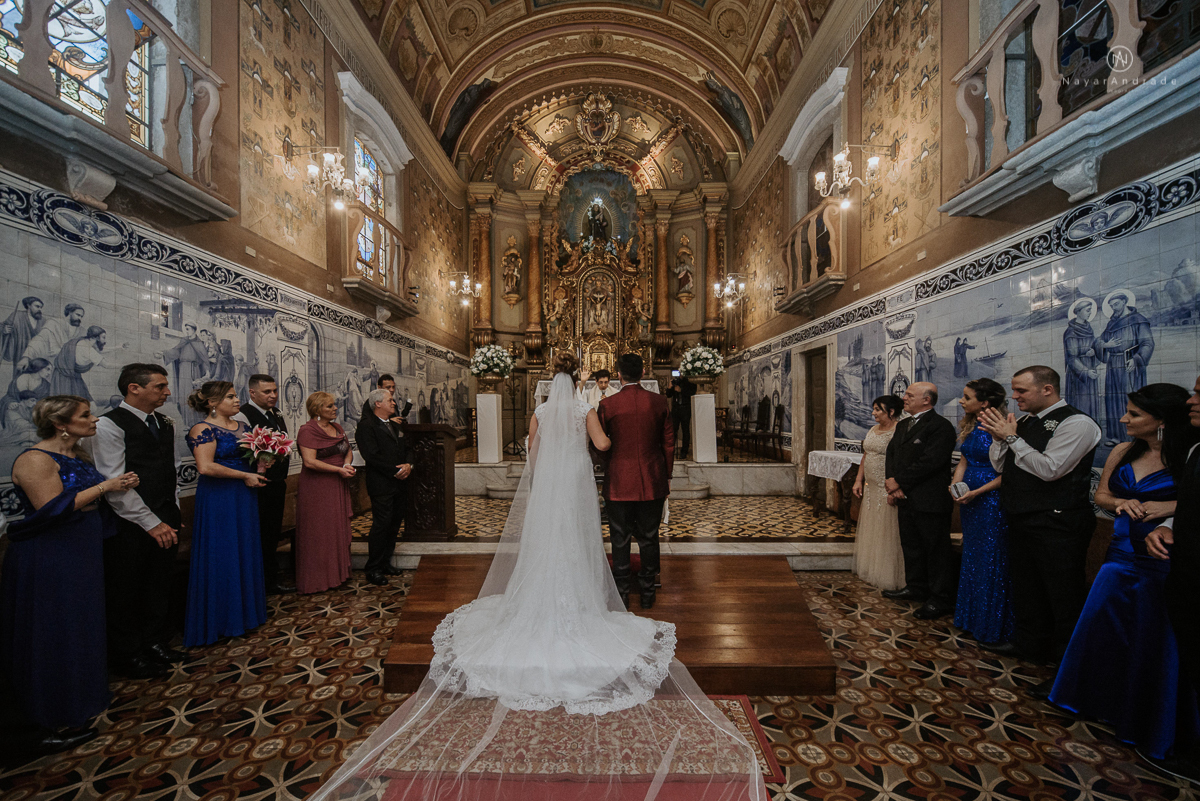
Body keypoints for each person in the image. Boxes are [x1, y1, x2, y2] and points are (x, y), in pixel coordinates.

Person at [308, 352, 765, 801]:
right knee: (583, 541)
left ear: (551, 377)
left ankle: (538, 601)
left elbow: (532, 449)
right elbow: (603, 446)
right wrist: (594, 443)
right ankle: (592, 600)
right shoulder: (587, 409)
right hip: (576, 482)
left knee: (548, 541)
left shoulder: (541, 409)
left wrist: (549, 463)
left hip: (551, 483)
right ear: (578, 379)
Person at [1049, 383, 1200, 758]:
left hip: (1162, 558)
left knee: (1153, 639)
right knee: (1104, 629)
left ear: (1161, 421)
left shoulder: (1188, 455)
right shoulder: (1122, 450)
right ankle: (1101, 702)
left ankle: (1148, 718)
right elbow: (1101, 495)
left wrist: (1165, 510)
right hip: (1119, 554)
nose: (1123, 418)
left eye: (1133, 414)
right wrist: (1123, 501)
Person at [1, 396, 138, 758]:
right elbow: (52, 509)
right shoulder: (35, 459)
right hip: (52, 551)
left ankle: (81, 692)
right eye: (85, 415)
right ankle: (48, 711)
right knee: (53, 624)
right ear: (61, 424)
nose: (93, 420)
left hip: (82, 544)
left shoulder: (78, 454)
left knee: (80, 619)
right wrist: (107, 487)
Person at [979, 365, 1101, 665]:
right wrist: (999, 438)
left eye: (1022, 390)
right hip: (1022, 517)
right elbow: (1000, 467)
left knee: (1062, 595)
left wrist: (1012, 439)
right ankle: (1029, 644)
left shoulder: (1077, 423)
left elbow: (1050, 469)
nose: (1015, 396)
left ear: (1047, 389)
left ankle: (1065, 666)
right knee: (1028, 588)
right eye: (1014, 389)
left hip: (1057, 522)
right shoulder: (1024, 421)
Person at [87, 363, 183, 679]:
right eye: (160, 386)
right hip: (130, 522)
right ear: (134, 388)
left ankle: (154, 641)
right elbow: (115, 482)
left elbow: (169, 472)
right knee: (127, 587)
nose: (167, 392)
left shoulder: (164, 423)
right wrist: (150, 522)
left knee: (158, 582)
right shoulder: (109, 425)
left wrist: (173, 512)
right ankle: (128, 654)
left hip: (164, 515)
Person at [183, 381, 269, 647]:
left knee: (244, 548)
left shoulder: (243, 427)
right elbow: (206, 467)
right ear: (212, 403)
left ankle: (245, 614)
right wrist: (245, 474)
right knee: (223, 551)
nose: (236, 401)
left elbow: (253, 460)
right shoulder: (203, 429)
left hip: (244, 495)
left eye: (235, 396)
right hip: (219, 497)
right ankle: (222, 618)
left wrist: (263, 464)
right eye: (230, 397)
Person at [1146, 374, 1200, 784]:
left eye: (1199, 394)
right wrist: (1172, 526)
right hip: (1186, 572)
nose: (1192, 401)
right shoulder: (1197, 449)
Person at [597, 352, 674, 608]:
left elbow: (600, 446)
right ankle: (648, 593)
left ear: (618, 375)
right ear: (643, 373)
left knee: (619, 537)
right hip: (653, 479)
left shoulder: (608, 405)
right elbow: (669, 444)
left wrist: (610, 467)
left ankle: (621, 593)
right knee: (650, 536)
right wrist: (667, 475)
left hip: (619, 481)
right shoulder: (659, 401)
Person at [882, 382, 957, 619]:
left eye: (909, 395)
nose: (904, 398)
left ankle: (940, 598)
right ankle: (916, 586)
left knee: (935, 551)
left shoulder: (940, 427)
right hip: (905, 496)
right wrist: (892, 483)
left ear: (927, 400)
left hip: (929, 499)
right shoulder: (903, 424)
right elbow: (892, 454)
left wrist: (900, 482)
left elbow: (930, 462)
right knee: (911, 545)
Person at [951, 378, 1014, 645]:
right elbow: (964, 459)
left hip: (991, 501)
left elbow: (1008, 473)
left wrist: (977, 492)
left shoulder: (1002, 427)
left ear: (985, 403)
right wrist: (956, 483)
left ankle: (991, 623)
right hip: (970, 502)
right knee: (973, 556)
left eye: (967, 397)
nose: (961, 401)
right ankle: (970, 617)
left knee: (992, 557)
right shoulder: (971, 424)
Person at [234, 374, 295, 595]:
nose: (273, 395)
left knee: (272, 532)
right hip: (257, 484)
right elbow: (243, 448)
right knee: (260, 534)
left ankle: (270, 578)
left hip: (277, 481)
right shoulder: (243, 414)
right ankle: (261, 582)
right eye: (267, 392)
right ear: (252, 393)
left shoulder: (276, 413)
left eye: (275, 391)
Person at [296, 392, 355, 594]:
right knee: (320, 532)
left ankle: (338, 575)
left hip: (338, 483)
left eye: (334, 405)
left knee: (336, 528)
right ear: (317, 409)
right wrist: (339, 470)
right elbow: (309, 462)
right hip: (317, 487)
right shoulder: (307, 431)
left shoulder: (337, 427)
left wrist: (346, 465)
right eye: (329, 406)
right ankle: (318, 579)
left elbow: (347, 450)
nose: (335, 409)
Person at [356, 388, 412, 586]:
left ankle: (386, 562)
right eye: (390, 400)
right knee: (381, 525)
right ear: (377, 403)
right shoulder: (366, 426)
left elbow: (408, 448)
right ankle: (373, 568)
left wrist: (408, 465)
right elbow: (371, 455)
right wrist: (394, 471)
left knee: (394, 523)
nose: (394, 403)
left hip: (400, 483)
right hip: (381, 484)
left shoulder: (395, 425)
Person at [851, 395, 905, 590]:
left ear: (891, 412)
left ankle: (887, 574)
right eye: (873, 409)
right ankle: (870, 567)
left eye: (877, 409)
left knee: (886, 528)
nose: (873, 413)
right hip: (871, 487)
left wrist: (895, 486)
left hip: (887, 487)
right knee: (872, 524)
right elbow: (866, 455)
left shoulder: (899, 430)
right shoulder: (873, 429)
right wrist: (859, 479)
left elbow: (901, 460)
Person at [666, 375, 695, 460]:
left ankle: (684, 452)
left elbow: (692, 393)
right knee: (673, 430)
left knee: (685, 430)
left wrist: (681, 390)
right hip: (676, 409)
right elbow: (668, 395)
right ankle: (671, 450)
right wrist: (669, 387)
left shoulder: (690, 382)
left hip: (685, 408)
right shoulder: (676, 381)